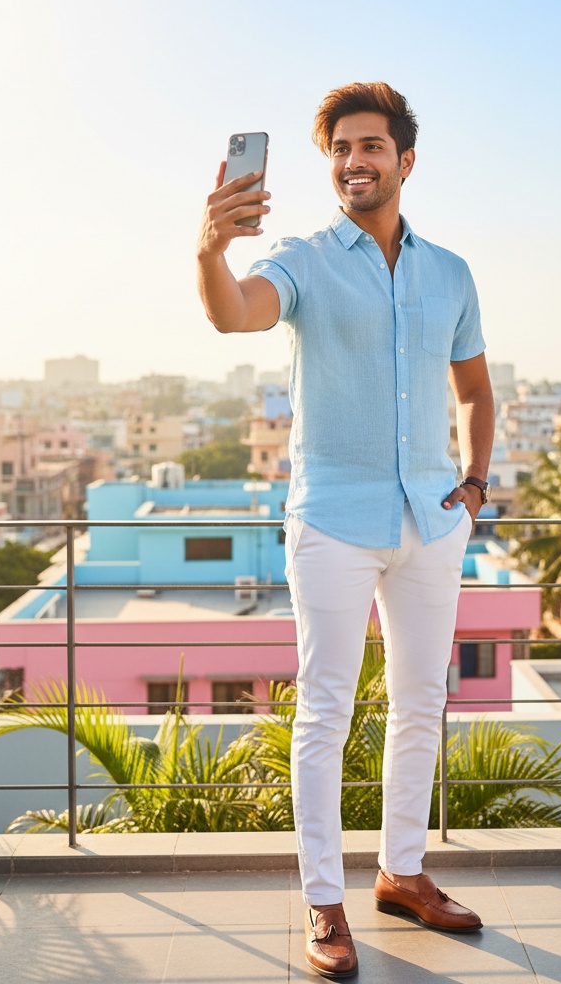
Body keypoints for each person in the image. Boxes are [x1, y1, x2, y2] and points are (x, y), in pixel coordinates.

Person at [196, 82, 494, 979]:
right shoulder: (302, 258)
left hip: (431, 522)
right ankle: (323, 902)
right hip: (331, 519)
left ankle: (403, 873)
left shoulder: (450, 272)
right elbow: (231, 312)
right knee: (326, 711)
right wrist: (210, 246)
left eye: (370, 146)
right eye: (339, 150)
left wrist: (475, 486)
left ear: (405, 160)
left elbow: (476, 392)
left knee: (420, 706)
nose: (354, 162)